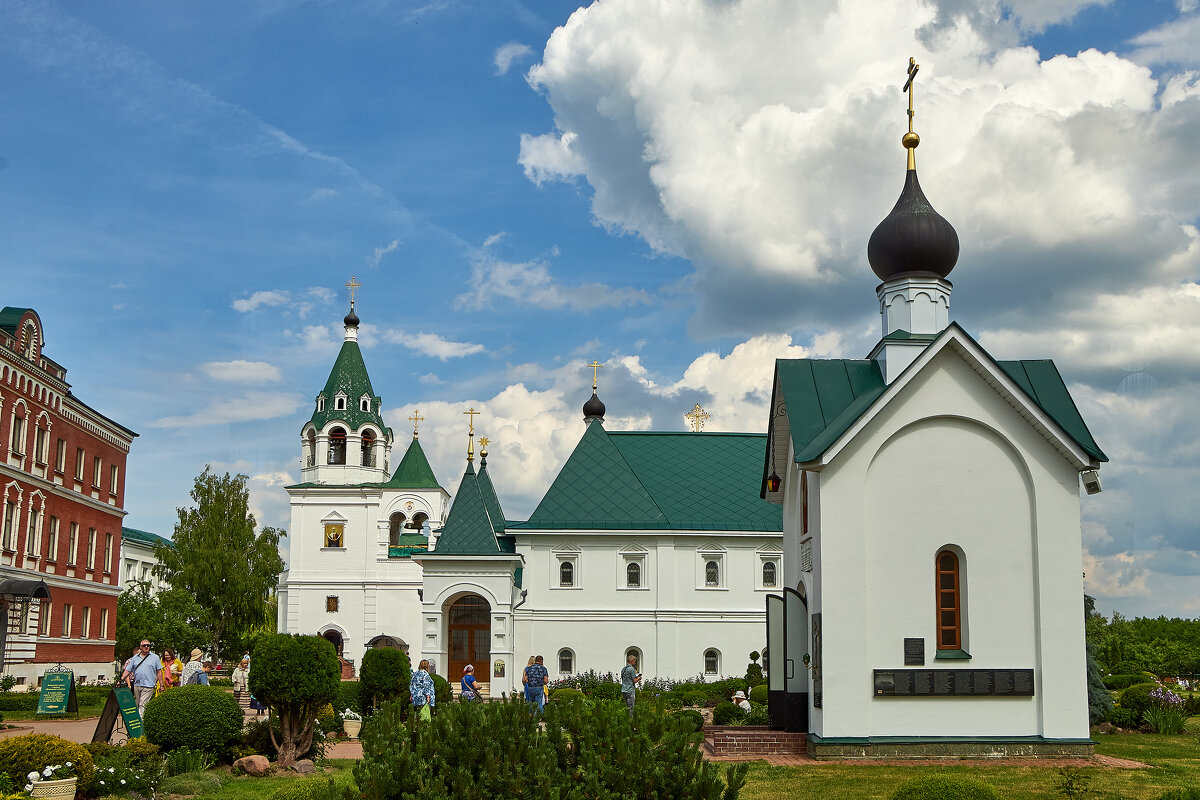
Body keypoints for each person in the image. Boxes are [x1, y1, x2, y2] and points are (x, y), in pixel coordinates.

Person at [120, 640, 164, 718]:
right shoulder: (135, 658)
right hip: (137, 684)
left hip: (149, 685)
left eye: (148, 645)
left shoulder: (155, 658)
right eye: (144, 645)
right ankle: (138, 721)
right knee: (137, 704)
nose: (146, 647)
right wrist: (121, 679)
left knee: (142, 704)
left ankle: (141, 723)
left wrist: (161, 684)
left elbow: (159, 671)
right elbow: (128, 670)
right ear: (141, 647)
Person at [620, 653, 642, 717]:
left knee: (627, 706)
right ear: (632, 661)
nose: (635, 662)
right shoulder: (631, 669)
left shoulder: (623, 669)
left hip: (624, 689)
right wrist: (639, 678)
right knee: (631, 708)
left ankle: (627, 720)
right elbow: (634, 680)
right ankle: (630, 723)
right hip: (630, 690)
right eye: (635, 661)